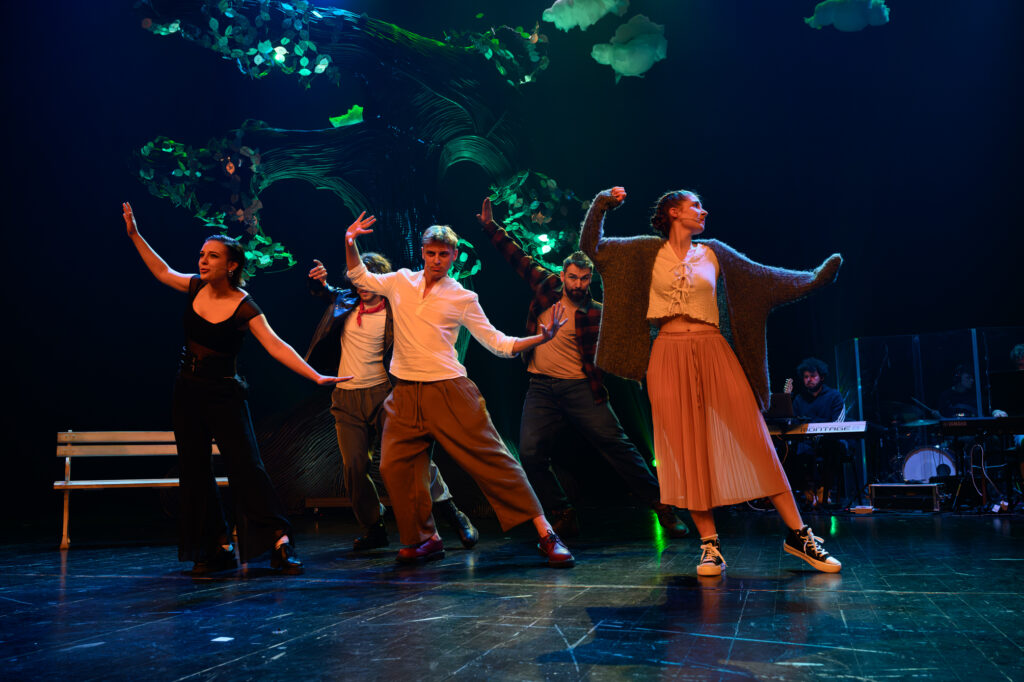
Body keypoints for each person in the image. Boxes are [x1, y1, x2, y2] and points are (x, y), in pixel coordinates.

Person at [579, 186, 843, 576]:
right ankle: (709, 546)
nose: (703, 211)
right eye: (695, 206)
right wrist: (602, 204)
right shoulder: (643, 252)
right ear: (673, 212)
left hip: (714, 350)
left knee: (756, 440)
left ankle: (798, 535)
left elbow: (766, 279)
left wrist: (814, 279)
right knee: (686, 450)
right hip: (666, 355)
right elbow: (592, 248)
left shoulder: (714, 253)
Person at [124, 202, 349, 576]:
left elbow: (276, 345)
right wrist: (135, 234)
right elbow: (162, 271)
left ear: (231, 265)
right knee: (195, 469)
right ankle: (217, 545)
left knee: (246, 467)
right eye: (202, 255)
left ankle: (279, 540)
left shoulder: (244, 306)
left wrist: (315, 376)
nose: (203, 261)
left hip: (224, 393)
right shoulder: (194, 287)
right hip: (187, 391)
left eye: (212, 256)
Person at [344, 211, 576, 567]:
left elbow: (498, 343)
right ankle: (425, 539)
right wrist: (351, 243)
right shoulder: (400, 281)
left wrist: (539, 339)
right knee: (393, 466)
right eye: (431, 253)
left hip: (449, 391)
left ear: (453, 256)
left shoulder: (462, 297)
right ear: (422, 253)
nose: (436, 260)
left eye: (444, 254)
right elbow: (359, 275)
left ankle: (546, 534)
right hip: (404, 394)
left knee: (494, 460)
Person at [476, 198, 689, 539]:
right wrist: (490, 226)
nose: (577, 284)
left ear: (590, 279)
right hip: (541, 388)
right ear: (563, 275)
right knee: (530, 453)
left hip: (581, 389)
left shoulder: (598, 312)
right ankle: (562, 511)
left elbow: (633, 338)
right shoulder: (546, 286)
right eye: (573, 278)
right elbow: (516, 256)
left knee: (618, 447)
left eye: (584, 279)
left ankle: (662, 507)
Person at [304, 254, 478, 551]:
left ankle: (451, 512)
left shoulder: (398, 309)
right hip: (346, 398)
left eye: (368, 279)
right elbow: (327, 293)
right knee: (354, 467)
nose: (362, 286)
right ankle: (374, 526)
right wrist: (318, 283)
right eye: (358, 281)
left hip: (385, 395)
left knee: (413, 458)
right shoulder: (346, 301)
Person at [790, 357, 847, 509]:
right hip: (806, 441)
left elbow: (838, 423)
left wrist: (818, 430)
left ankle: (825, 492)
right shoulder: (799, 399)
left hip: (829, 440)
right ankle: (807, 492)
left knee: (833, 448)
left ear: (821, 377)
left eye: (813, 376)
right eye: (806, 377)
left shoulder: (834, 396)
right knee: (790, 451)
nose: (809, 380)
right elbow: (794, 422)